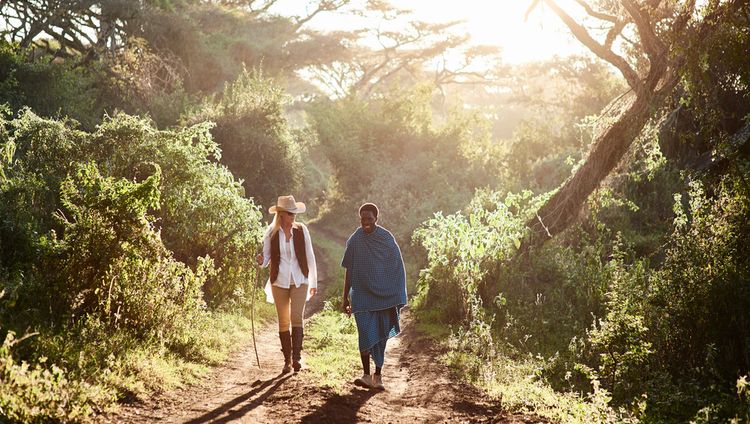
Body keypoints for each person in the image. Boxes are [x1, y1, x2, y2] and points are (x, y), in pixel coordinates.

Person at [341, 203, 407, 390]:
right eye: (363, 219)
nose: (366, 222)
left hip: (383, 296)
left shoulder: (386, 238)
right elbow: (349, 269)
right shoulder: (355, 240)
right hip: (361, 294)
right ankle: (365, 375)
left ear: (376, 219)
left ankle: (377, 376)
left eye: (369, 219)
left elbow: (397, 267)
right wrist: (345, 297)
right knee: (364, 332)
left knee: (380, 335)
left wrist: (396, 293)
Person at [256, 195, 317, 373]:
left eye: (294, 213)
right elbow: (266, 259)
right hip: (279, 281)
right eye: (290, 214)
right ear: (281, 214)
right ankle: (287, 361)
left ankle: (297, 358)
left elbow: (310, 256)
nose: (293, 217)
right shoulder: (271, 232)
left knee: (296, 317)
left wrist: (313, 281)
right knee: (283, 321)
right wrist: (260, 261)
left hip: (300, 279)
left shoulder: (302, 230)